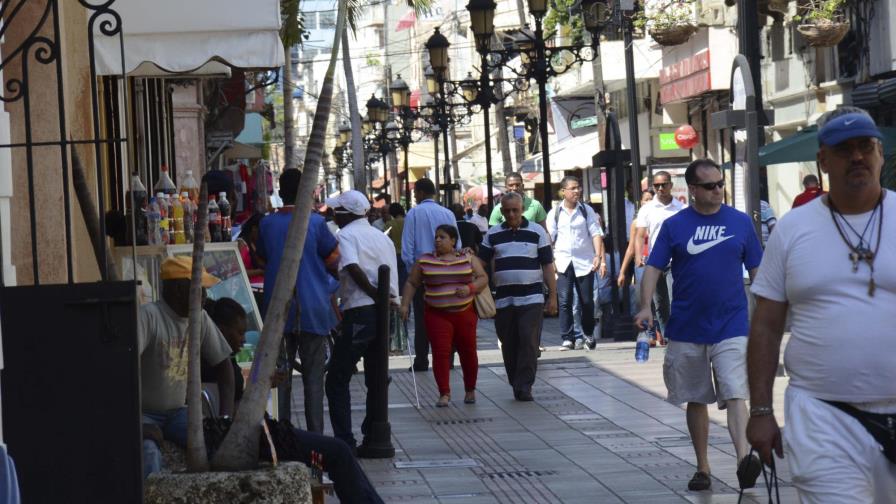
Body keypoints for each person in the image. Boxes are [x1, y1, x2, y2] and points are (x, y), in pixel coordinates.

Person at [747, 108, 896, 502]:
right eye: (844, 149)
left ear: (881, 154)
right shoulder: (794, 228)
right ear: (823, 161)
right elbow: (765, 325)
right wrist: (760, 411)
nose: (857, 157)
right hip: (823, 415)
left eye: (866, 146)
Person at [634, 159, 763, 492]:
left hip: (732, 323)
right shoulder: (676, 226)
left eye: (720, 184)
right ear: (692, 190)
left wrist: (767, 316)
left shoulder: (740, 223)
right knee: (695, 398)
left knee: (736, 392)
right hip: (687, 326)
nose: (718, 190)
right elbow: (653, 268)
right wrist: (645, 305)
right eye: (710, 186)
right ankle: (703, 467)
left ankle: (742, 460)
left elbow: (759, 272)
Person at [203, 298, 385, 503]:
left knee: (335, 452)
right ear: (220, 329)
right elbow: (227, 408)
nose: (243, 340)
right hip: (259, 436)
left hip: (263, 431)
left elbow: (237, 397)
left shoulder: (223, 359)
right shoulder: (216, 363)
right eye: (239, 333)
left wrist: (262, 384)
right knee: (338, 452)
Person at [257, 169, 340, 433]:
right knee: (314, 379)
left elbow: (262, 259)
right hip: (313, 306)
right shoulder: (315, 223)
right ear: (307, 192)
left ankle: (282, 435)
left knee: (280, 377)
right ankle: (315, 438)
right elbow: (334, 260)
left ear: (280, 192)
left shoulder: (267, 224)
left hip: (277, 308)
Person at [140, 257, 235, 478]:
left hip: (178, 412)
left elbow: (224, 365)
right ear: (178, 290)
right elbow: (120, 369)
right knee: (149, 455)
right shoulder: (149, 317)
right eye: (199, 289)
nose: (204, 296)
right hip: (143, 413)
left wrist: (225, 419)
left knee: (215, 446)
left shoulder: (199, 317)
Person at [325, 190, 398, 451]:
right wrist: (384, 298)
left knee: (336, 377)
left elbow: (352, 267)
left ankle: (345, 440)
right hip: (383, 313)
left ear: (346, 213)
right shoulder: (381, 238)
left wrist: (373, 294)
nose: (333, 214)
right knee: (377, 376)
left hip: (361, 312)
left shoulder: (345, 235)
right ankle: (373, 434)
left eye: (337, 210)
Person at [479, 192, 558, 401]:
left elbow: (548, 266)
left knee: (529, 341)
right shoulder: (493, 234)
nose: (511, 214)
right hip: (504, 299)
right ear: (502, 211)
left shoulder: (537, 232)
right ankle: (516, 380)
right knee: (509, 342)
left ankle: (524, 385)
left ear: (522, 209)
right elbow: (481, 263)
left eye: (515, 210)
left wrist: (553, 296)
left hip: (532, 298)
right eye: (507, 211)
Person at [400, 225, 489, 407]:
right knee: (440, 353)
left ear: (453, 241)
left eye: (442, 237)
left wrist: (469, 288)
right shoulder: (424, 260)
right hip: (436, 315)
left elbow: (482, 278)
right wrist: (405, 304)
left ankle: (470, 389)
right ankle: (444, 393)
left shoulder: (467, 258)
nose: (437, 240)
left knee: (468, 352)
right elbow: (411, 282)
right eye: (436, 237)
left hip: (465, 314)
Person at [401, 178, 460, 372]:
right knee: (448, 315)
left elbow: (407, 248)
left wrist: (413, 273)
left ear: (419, 192)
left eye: (415, 193)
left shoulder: (414, 213)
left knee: (422, 318)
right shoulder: (448, 213)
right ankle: (447, 358)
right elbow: (456, 245)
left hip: (424, 274)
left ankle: (421, 359)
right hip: (448, 274)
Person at [546, 176, 606, 351]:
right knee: (565, 301)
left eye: (578, 188)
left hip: (585, 261)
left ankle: (587, 333)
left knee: (587, 301)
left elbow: (596, 234)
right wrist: (551, 260)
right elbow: (549, 238)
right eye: (572, 188)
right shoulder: (555, 213)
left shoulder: (586, 211)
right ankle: (568, 338)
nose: (577, 191)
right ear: (563, 191)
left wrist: (598, 256)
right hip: (563, 261)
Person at [632, 171, 685, 337]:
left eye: (664, 184)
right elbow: (640, 235)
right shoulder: (647, 209)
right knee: (660, 303)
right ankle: (667, 335)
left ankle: (677, 336)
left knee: (674, 299)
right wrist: (638, 255)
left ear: (671, 185)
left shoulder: (682, 208)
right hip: (655, 261)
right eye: (656, 185)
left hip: (676, 260)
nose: (660, 188)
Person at [617, 190, 664, 345]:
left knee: (660, 300)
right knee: (645, 300)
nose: (648, 202)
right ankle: (650, 333)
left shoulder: (661, 219)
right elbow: (631, 248)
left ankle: (662, 332)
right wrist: (623, 271)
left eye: (651, 199)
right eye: (645, 199)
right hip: (642, 265)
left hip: (658, 263)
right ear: (641, 203)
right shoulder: (637, 223)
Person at [236, 213, 265, 285]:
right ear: (254, 228)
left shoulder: (257, 243)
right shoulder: (242, 244)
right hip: (250, 287)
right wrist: (260, 271)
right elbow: (237, 271)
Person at [387, 203, 407, 287]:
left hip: (393, 255)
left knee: (395, 279)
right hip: (406, 254)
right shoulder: (408, 222)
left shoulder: (389, 224)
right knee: (405, 279)